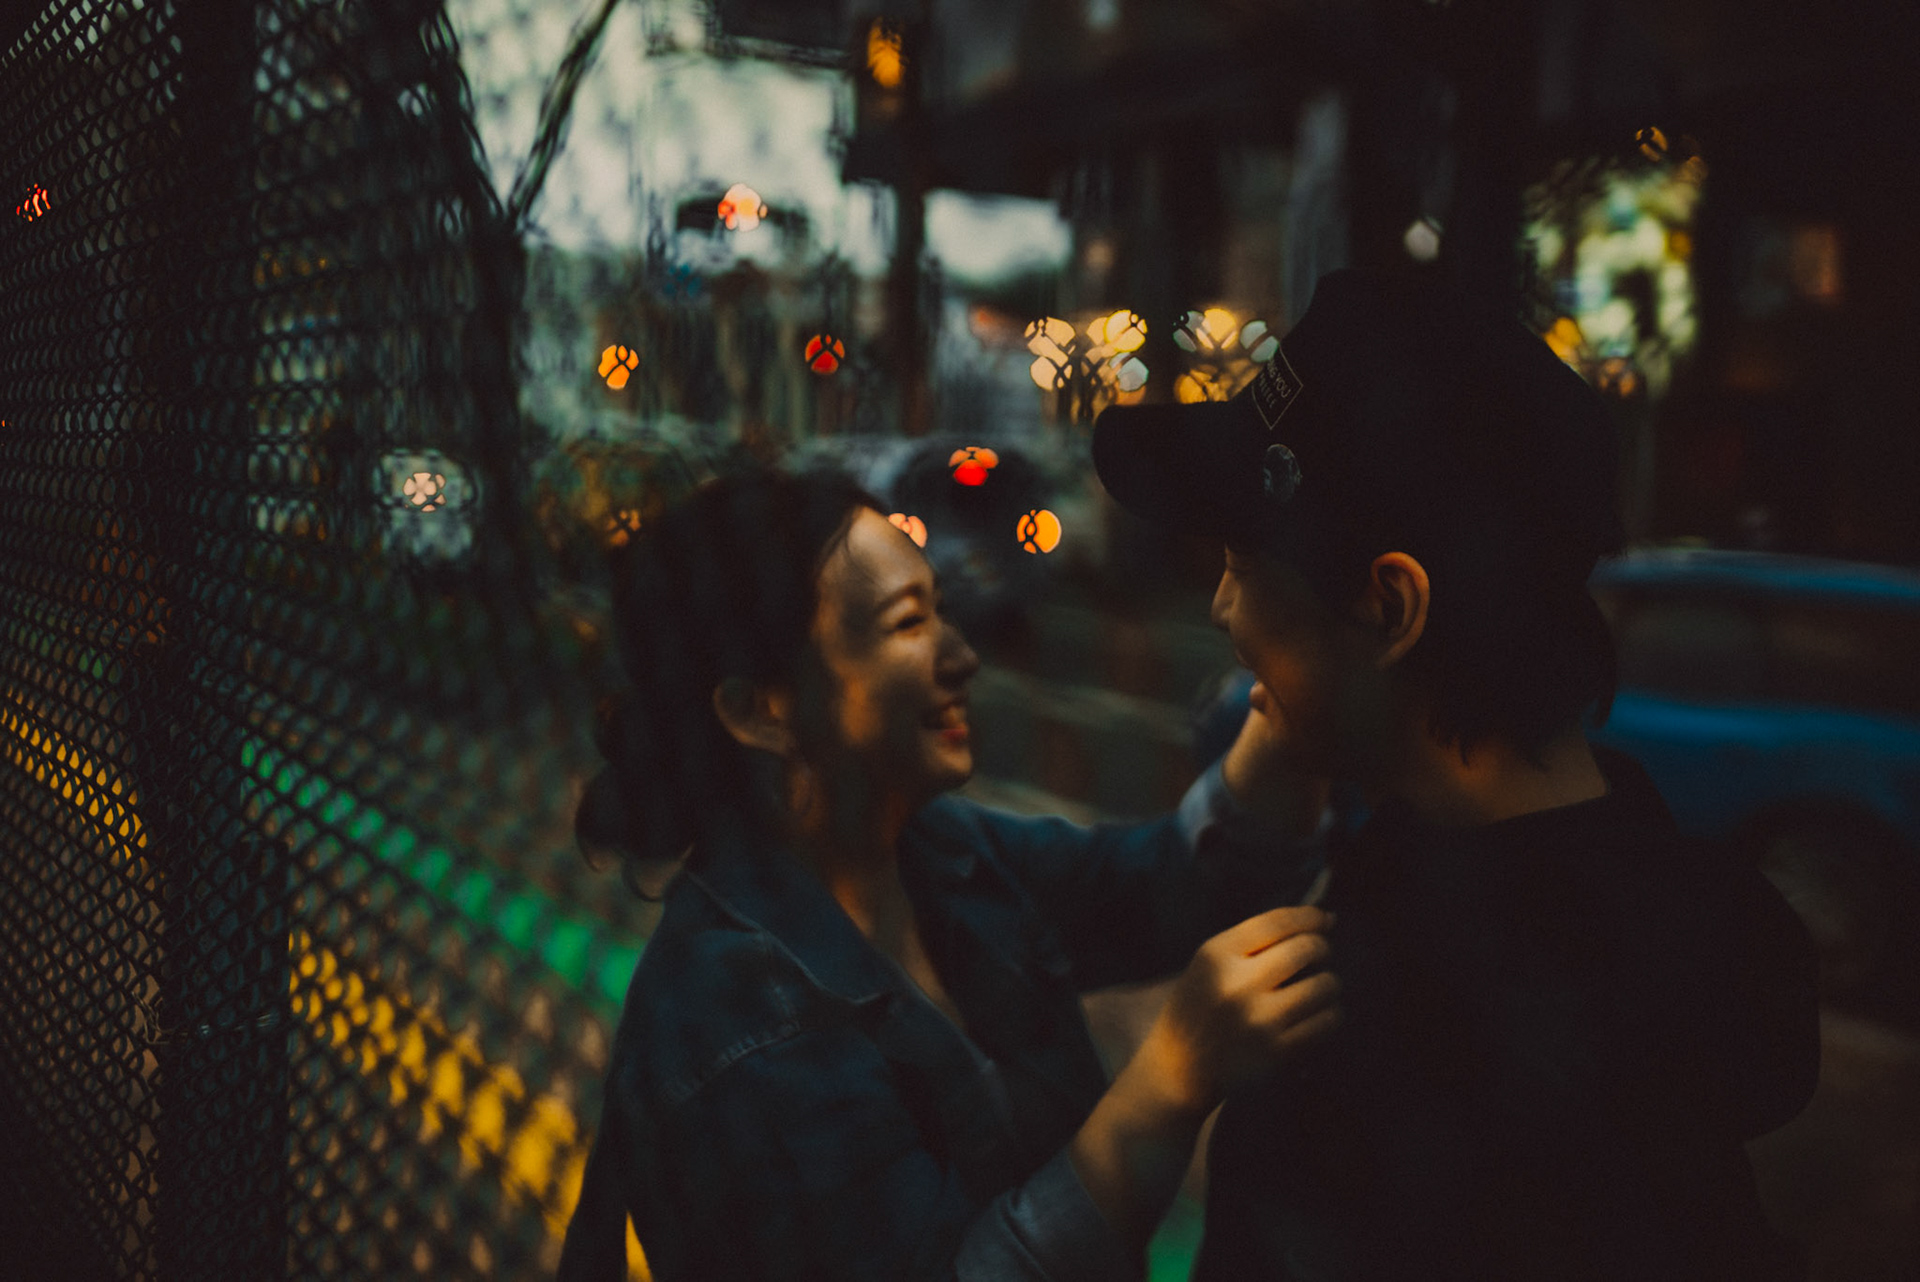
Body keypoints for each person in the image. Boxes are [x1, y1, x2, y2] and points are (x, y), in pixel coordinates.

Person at [1092, 268, 1821, 1281]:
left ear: (1391, 610)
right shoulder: (1692, 930)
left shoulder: (1356, 1084)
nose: (1221, 609)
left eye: (1243, 564)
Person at [556, 467, 1341, 1280]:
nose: (963, 655)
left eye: (940, 610)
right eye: (907, 624)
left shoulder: (935, 853)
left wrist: (1293, 708)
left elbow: (1162, 888)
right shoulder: (735, 1023)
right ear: (761, 711)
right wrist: (1173, 1077)